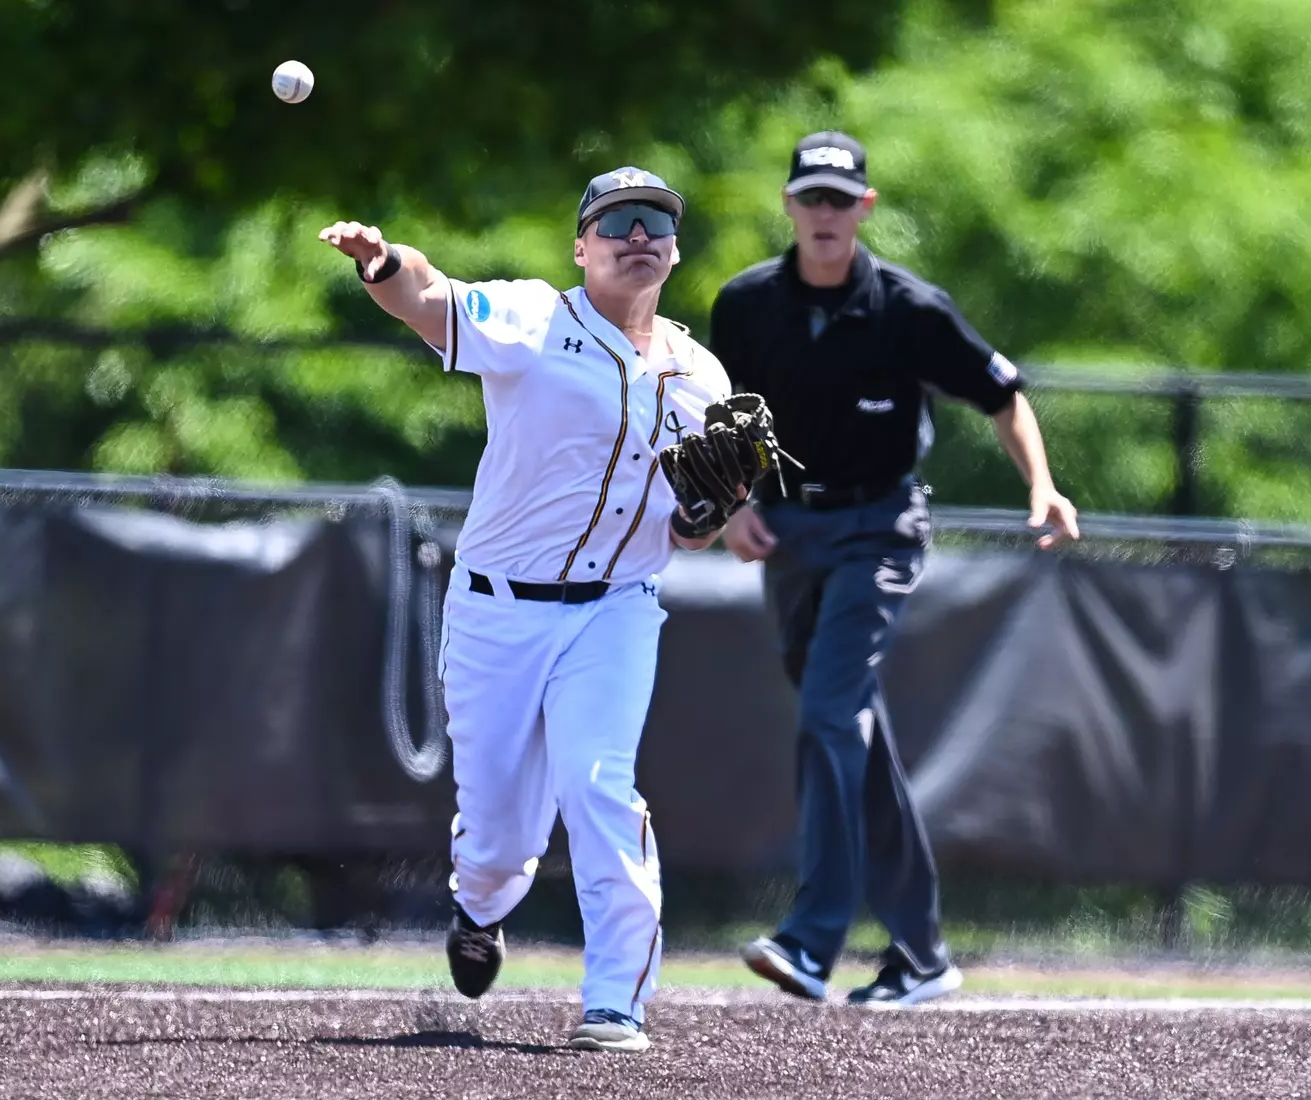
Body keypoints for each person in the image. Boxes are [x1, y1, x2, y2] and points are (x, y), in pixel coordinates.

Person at [319, 167, 734, 1053]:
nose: (636, 236)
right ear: (580, 245)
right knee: (503, 836)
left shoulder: (700, 374)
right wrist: (381, 261)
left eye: (655, 224)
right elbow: (429, 296)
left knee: (598, 786)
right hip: (497, 612)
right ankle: (480, 905)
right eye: (616, 221)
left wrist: (702, 519)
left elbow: (692, 528)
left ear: (673, 249)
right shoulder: (534, 320)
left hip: (615, 611)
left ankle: (614, 1000)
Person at [709, 131, 1081, 1006]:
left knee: (829, 715)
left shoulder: (909, 307)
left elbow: (1001, 394)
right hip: (790, 528)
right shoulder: (746, 303)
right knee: (850, 736)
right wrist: (732, 504)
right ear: (790, 206)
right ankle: (921, 956)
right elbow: (718, 413)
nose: (826, 214)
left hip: (880, 526)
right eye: (812, 198)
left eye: (842, 199)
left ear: (864, 208)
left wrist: (1043, 486)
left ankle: (810, 939)